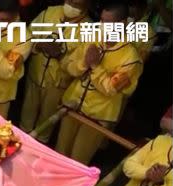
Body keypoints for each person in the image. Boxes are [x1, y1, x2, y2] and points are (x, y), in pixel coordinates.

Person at [55, 1, 144, 165]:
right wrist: (83, 64)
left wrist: (95, 66)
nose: (102, 26)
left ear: (122, 24)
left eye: (108, 23)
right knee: (59, 154)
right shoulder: (92, 37)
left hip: (96, 118)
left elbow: (111, 89)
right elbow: (68, 66)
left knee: (76, 162)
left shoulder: (131, 58)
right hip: (72, 105)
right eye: (102, 20)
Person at [18, 0, 89, 141]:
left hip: (58, 84)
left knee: (46, 124)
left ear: (87, 5)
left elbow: (82, 63)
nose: (71, 6)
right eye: (70, 1)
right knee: (26, 118)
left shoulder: (89, 28)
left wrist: (60, 55)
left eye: (77, 4)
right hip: (35, 75)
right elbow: (28, 34)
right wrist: (39, 44)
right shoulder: (50, 12)